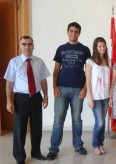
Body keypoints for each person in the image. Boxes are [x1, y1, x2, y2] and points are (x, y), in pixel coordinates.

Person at [47, 22, 91, 160]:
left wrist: (85, 89)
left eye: (76, 31)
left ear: (79, 33)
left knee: (77, 119)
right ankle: (53, 149)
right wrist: (54, 87)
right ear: (67, 31)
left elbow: (89, 71)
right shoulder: (61, 49)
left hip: (78, 89)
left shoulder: (85, 50)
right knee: (58, 120)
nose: (73, 33)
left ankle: (78, 145)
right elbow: (56, 70)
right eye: (71, 31)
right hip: (61, 89)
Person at [4, 36, 50, 164]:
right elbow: (9, 83)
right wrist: (9, 101)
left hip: (36, 98)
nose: (27, 47)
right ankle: (19, 157)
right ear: (20, 46)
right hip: (21, 100)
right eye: (24, 44)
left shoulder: (39, 62)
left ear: (33, 46)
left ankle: (36, 152)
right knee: (20, 130)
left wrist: (45, 96)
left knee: (37, 128)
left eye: (30, 44)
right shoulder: (14, 62)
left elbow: (43, 80)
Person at [85, 37, 110, 155]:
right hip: (95, 96)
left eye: (104, 46)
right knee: (99, 122)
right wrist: (90, 97)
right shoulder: (90, 61)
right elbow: (88, 80)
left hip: (105, 96)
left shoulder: (107, 61)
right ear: (95, 47)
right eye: (100, 46)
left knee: (103, 121)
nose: (102, 48)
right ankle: (95, 145)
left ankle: (101, 144)